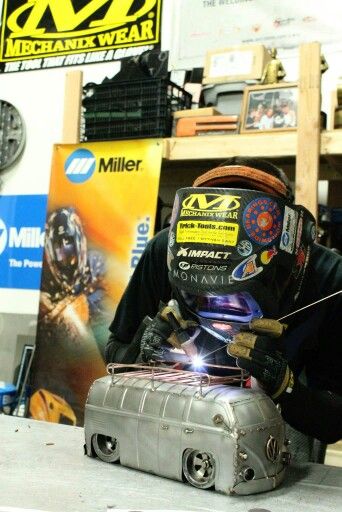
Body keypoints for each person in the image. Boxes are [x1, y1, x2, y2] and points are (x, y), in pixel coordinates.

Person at [105, 157, 342, 446]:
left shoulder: (329, 277)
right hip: (177, 412)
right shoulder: (164, 252)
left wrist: (284, 385)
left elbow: (334, 423)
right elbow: (113, 353)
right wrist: (139, 354)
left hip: (282, 423)